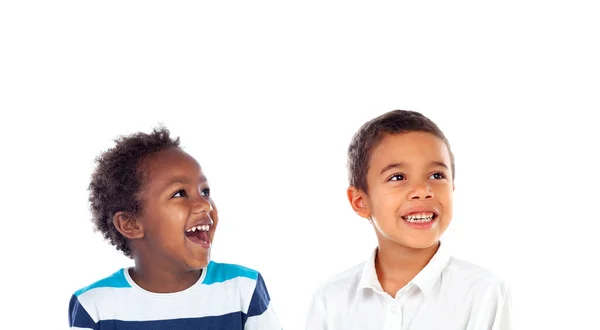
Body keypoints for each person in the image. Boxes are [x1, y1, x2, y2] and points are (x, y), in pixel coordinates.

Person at [305, 110, 512, 329]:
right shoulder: (329, 300)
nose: (423, 191)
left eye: (436, 175)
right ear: (360, 201)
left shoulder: (484, 292)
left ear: (452, 187)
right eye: (397, 177)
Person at [69, 126, 281, 329]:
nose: (205, 204)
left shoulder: (243, 288)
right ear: (130, 224)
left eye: (205, 191)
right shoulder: (95, 306)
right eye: (179, 193)